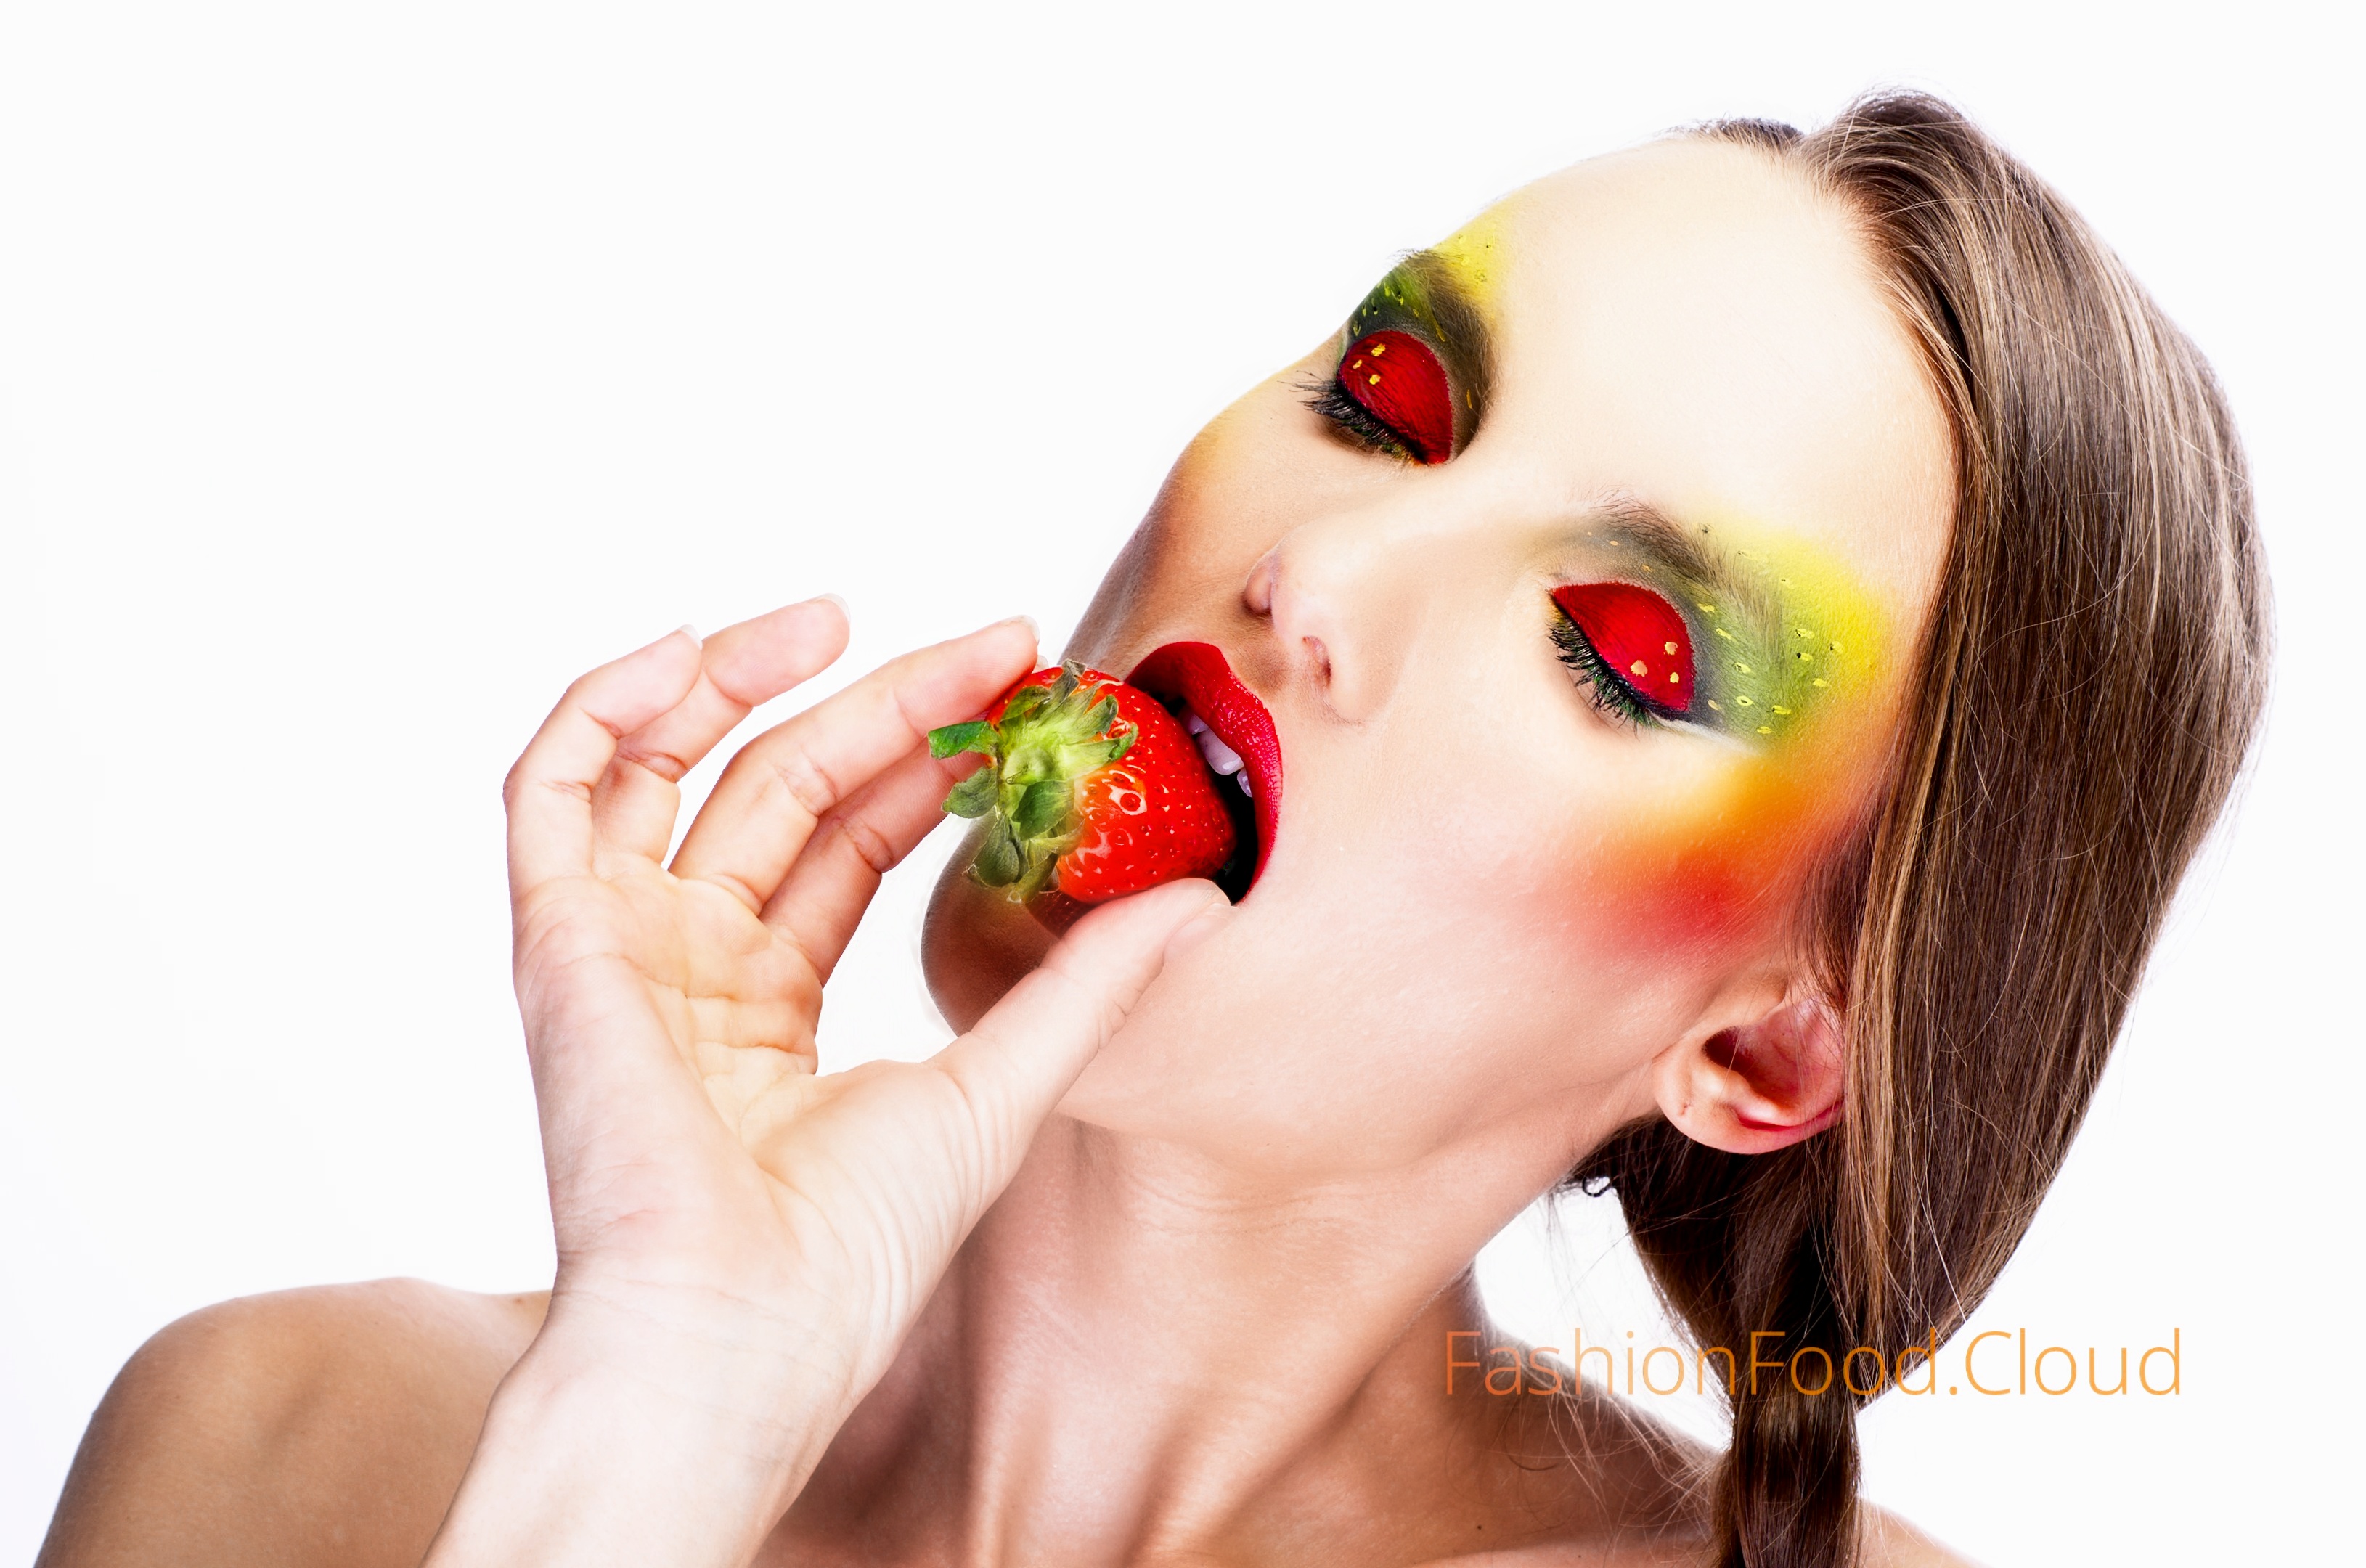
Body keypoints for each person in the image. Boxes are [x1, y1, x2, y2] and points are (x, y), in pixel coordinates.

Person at [35, 92, 2266, 1568]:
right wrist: (648, 1436)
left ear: (1765, 1049)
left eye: (1619, 647)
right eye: (1382, 405)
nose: (1318, 569)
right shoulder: (284, 1455)